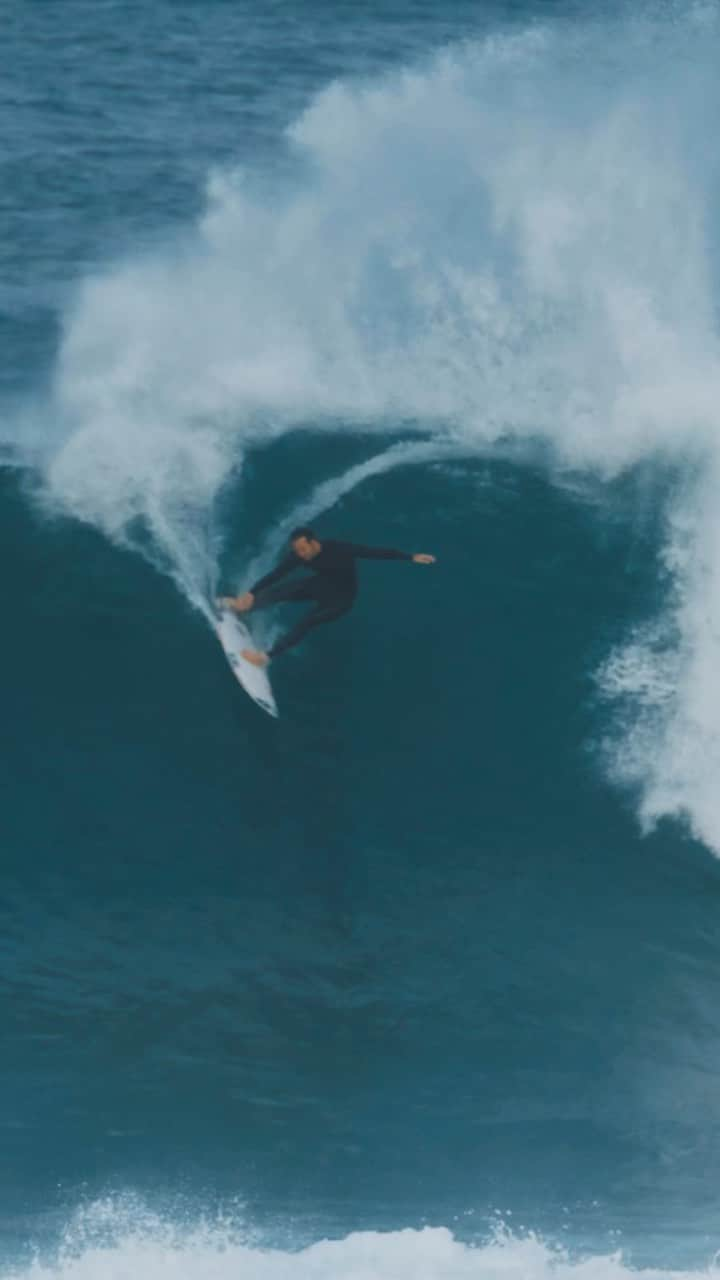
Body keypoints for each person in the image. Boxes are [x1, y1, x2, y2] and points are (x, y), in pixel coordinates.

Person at [218, 526, 436, 666]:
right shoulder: (299, 557)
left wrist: (410, 557)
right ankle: (242, 607)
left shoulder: (339, 548)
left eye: (303, 549)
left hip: (341, 599)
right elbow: (277, 574)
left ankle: (265, 657)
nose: (300, 554)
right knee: (279, 591)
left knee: (307, 621)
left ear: (314, 542)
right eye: (297, 550)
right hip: (320, 585)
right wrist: (251, 593)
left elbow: (374, 552)